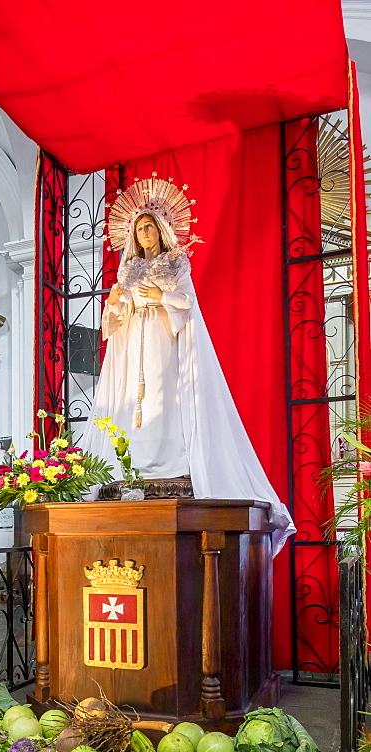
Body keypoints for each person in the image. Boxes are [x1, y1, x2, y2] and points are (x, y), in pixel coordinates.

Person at [79, 175, 294, 553]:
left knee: (162, 397)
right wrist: (115, 303)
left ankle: (171, 461)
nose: (144, 233)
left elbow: (186, 303)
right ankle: (136, 464)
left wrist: (161, 295)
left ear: (161, 230)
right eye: (138, 228)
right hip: (134, 343)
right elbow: (114, 321)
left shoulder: (176, 263)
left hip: (164, 338)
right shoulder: (126, 270)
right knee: (132, 402)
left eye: (149, 227)